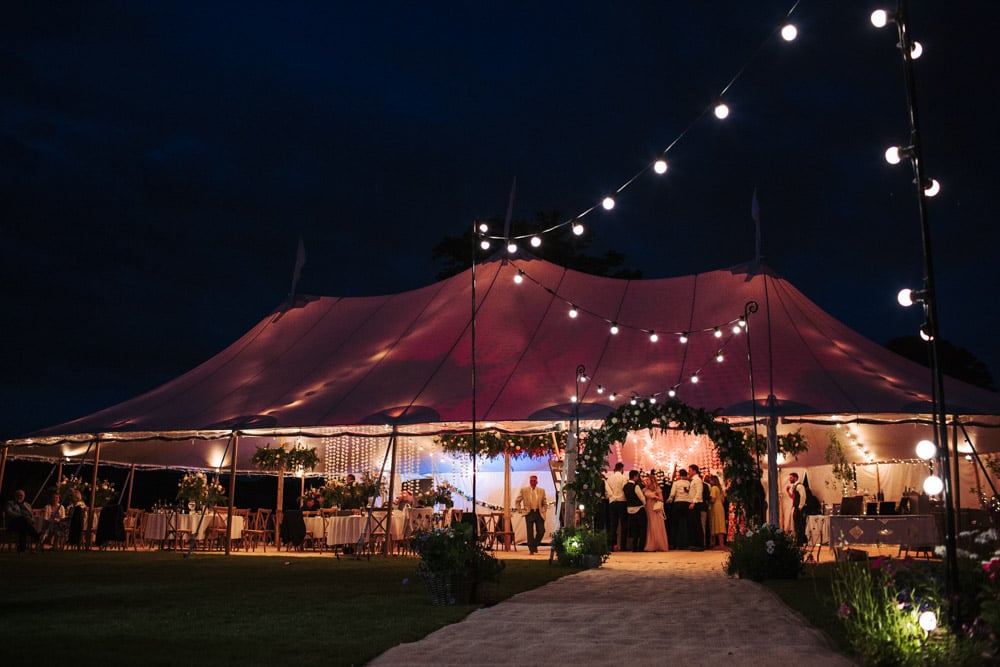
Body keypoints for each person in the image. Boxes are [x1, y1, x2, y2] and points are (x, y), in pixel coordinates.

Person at [515, 475, 547, 554]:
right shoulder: (524, 490)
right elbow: (517, 501)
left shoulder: (541, 490)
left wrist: (544, 510)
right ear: (529, 482)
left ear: (537, 482)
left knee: (541, 531)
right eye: (531, 481)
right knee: (530, 532)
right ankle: (531, 549)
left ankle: (534, 545)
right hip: (529, 513)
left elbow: (544, 502)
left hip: (539, 512)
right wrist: (520, 510)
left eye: (534, 481)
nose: (533, 482)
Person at [4, 489, 41, 553]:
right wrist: (21, 516)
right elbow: (9, 512)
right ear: (15, 496)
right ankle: (36, 536)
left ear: (24, 496)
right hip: (14, 523)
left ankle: (22, 548)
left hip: (24, 524)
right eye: (19, 495)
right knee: (23, 520)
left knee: (23, 528)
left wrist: (31, 519)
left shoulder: (27, 505)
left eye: (22, 495)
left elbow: (31, 514)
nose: (20, 497)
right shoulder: (10, 503)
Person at [643, 472, 669, 552]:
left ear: (652, 480)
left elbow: (661, 499)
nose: (646, 481)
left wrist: (654, 496)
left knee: (656, 525)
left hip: (655, 508)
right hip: (648, 507)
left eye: (648, 480)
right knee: (650, 525)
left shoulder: (657, 488)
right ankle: (651, 544)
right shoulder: (645, 489)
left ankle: (659, 544)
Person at [604, 462, 628, 550]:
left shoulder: (609, 478)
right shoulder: (624, 478)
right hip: (622, 501)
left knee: (613, 525)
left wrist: (612, 496)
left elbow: (607, 489)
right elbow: (625, 489)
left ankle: (612, 545)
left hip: (612, 502)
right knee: (623, 524)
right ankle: (623, 546)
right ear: (622, 469)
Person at [622, 470, 646, 552]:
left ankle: (634, 547)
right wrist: (644, 504)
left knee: (634, 529)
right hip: (638, 508)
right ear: (635, 476)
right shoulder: (636, 486)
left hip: (629, 510)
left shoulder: (625, 486)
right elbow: (641, 497)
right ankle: (641, 547)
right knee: (643, 528)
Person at [667, 469, 690, 549]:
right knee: (686, 524)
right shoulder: (689, 483)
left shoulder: (676, 483)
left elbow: (672, 494)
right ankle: (686, 543)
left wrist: (669, 500)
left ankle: (675, 543)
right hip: (687, 503)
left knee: (675, 524)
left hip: (678, 503)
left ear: (679, 475)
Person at [687, 464, 706, 551]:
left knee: (697, 524)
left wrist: (694, 502)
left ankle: (700, 544)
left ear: (694, 471)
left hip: (696, 503)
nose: (688, 472)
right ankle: (695, 543)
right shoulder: (693, 480)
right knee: (694, 524)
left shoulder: (697, 480)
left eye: (690, 470)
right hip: (693, 503)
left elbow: (699, 492)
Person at [707, 475, 727, 549]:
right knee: (720, 524)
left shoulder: (714, 488)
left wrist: (707, 500)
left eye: (710, 480)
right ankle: (720, 544)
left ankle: (720, 544)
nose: (709, 481)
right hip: (720, 506)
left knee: (717, 524)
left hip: (715, 507)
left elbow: (712, 499)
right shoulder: (719, 489)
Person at [789, 472, 807, 546]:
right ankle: (798, 541)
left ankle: (800, 542)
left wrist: (800, 506)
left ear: (795, 478)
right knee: (796, 525)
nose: (789, 479)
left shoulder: (799, 486)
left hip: (799, 508)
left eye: (791, 477)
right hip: (796, 508)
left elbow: (803, 496)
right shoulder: (794, 486)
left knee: (799, 525)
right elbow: (793, 496)